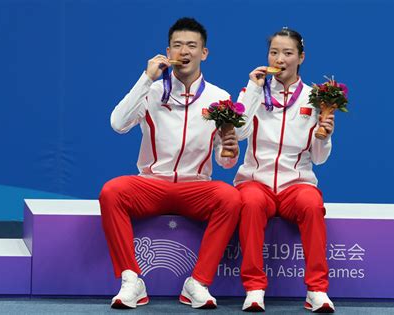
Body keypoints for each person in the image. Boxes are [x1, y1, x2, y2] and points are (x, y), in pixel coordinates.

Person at [99, 17, 241, 310]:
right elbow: (117, 123)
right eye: (177, 45)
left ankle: (198, 283)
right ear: (167, 51)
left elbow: (225, 162)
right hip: (151, 185)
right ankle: (131, 279)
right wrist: (146, 78)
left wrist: (229, 153)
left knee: (230, 197)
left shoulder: (220, 98)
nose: (184, 51)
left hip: (196, 188)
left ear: (204, 53)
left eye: (192, 45)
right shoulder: (151, 91)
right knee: (112, 192)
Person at [234, 28, 336, 313]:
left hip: (297, 183)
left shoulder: (315, 98)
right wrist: (253, 89)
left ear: (301, 57)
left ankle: (317, 290)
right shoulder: (251, 91)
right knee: (250, 203)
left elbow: (319, 159)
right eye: (274, 52)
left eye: (288, 53)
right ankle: (254, 289)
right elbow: (239, 133)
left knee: (312, 204)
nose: (280, 58)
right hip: (256, 180)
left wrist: (324, 136)